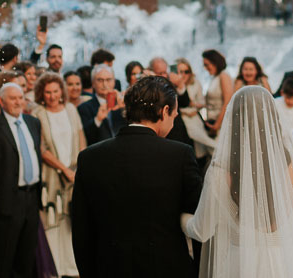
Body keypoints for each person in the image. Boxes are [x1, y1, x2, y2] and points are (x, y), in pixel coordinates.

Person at [182, 85, 293, 278]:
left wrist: (182, 218)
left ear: (233, 121)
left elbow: (201, 230)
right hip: (291, 266)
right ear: (274, 119)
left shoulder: (219, 172)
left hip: (238, 267)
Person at [72, 76, 203, 278]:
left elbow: (81, 230)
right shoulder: (180, 155)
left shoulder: (89, 157)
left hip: (109, 268)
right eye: (174, 116)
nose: (173, 122)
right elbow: (198, 220)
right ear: (165, 111)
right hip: (167, 268)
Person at [0, 82, 43, 278]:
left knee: (26, 258)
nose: (18, 102)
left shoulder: (33, 123)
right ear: (1, 101)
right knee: (3, 259)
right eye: (13, 98)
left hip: (31, 198)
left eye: (20, 97)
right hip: (6, 203)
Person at [33, 72, 85, 278]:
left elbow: (81, 138)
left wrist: (78, 168)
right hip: (53, 173)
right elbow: (42, 148)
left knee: (72, 220)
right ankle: (54, 269)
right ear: (42, 94)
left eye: (55, 91)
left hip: (74, 172)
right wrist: (63, 169)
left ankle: (72, 268)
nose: (52, 96)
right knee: (53, 219)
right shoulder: (39, 113)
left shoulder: (71, 109)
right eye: (48, 92)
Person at [170, 56, 215, 159]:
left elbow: (202, 102)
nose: (183, 75)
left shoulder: (195, 83)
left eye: (186, 71)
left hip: (194, 117)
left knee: (203, 145)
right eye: (180, 71)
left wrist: (192, 105)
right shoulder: (171, 86)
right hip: (181, 120)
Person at [77, 64, 127, 145]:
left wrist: (125, 109)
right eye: (100, 80)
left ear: (114, 82)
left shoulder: (122, 104)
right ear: (93, 83)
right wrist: (97, 120)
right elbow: (85, 137)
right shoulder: (84, 108)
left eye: (108, 80)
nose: (104, 84)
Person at [201, 49, 233, 141]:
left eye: (206, 64)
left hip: (220, 124)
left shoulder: (224, 76)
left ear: (215, 62)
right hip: (212, 121)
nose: (205, 68)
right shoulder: (215, 77)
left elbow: (228, 101)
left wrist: (217, 125)